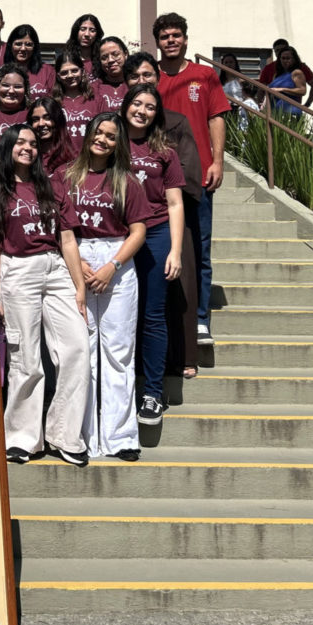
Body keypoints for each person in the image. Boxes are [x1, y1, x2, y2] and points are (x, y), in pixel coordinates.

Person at [0, 124, 90, 466]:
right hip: (18, 270)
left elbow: (68, 239)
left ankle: (65, 435)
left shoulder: (52, 186)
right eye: (20, 142)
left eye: (33, 143)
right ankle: (21, 438)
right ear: (8, 147)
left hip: (56, 268)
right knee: (26, 358)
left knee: (77, 348)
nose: (28, 147)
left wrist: (79, 286)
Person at [59, 113, 149, 460]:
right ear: (87, 135)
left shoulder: (127, 181)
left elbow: (138, 230)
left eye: (111, 136)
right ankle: (82, 435)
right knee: (82, 349)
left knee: (118, 351)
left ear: (118, 143)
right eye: (99, 133)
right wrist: (78, 264)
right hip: (76, 254)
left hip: (116, 258)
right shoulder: (65, 176)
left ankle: (120, 437)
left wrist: (113, 265)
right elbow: (58, 228)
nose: (103, 140)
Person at [123, 51, 205, 381]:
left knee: (166, 298)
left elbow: (180, 188)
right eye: (134, 77)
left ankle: (175, 363)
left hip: (161, 221)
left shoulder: (174, 127)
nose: (141, 81)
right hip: (122, 228)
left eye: (147, 75)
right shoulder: (115, 134)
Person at [153, 13, 230, 350]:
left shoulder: (204, 75)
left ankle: (199, 318)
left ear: (185, 39)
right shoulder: (150, 76)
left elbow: (216, 117)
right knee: (164, 248)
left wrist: (217, 160)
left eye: (176, 35)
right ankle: (168, 318)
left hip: (197, 175)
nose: (171, 41)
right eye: (165, 36)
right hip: (157, 177)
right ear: (157, 42)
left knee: (200, 247)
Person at [121, 85, 185, 428]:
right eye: (136, 103)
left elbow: (174, 203)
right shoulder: (110, 141)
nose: (142, 111)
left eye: (149, 106)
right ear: (125, 106)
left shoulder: (165, 151)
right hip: (116, 234)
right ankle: (118, 389)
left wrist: (175, 250)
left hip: (156, 234)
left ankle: (152, 393)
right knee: (117, 317)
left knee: (152, 315)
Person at [259, 38, 313, 108]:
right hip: (274, 109)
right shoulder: (269, 68)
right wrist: (260, 105)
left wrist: (307, 104)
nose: (280, 52)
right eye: (277, 50)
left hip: (291, 108)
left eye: (282, 50)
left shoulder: (300, 68)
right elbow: (261, 89)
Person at [53, 50, 94, 150]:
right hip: (62, 157)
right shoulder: (52, 103)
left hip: (90, 157)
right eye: (64, 73)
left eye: (74, 70)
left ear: (82, 71)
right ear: (58, 76)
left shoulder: (96, 99)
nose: (70, 75)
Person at [28, 96, 76, 174]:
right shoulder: (27, 156)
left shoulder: (72, 157)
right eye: (36, 119)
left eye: (47, 118)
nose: (41, 124)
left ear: (58, 120)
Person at [5, 24, 54, 98]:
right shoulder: (3, 72)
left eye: (28, 44)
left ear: (35, 47)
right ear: (10, 46)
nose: (23, 48)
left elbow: (54, 99)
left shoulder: (48, 71)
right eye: (18, 44)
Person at [0, 63, 32, 141]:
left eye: (18, 87)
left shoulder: (32, 115)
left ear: (25, 90)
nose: (11, 91)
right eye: (5, 85)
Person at [90, 36, 131, 111]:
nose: (110, 60)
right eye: (104, 57)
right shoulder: (94, 88)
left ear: (125, 54)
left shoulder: (134, 84)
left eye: (115, 54)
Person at [267, 45, 308, 116]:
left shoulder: (296, 73)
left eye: (288, 58)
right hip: (276, 114)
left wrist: (282, 89)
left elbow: (302, 90)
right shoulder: (277, 75)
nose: (285, 61)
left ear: (294, 59)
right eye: (283, 58)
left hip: (291, 114)